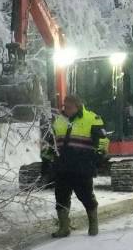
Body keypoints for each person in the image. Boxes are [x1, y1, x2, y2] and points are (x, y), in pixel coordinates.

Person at [44, 94, 109, 237]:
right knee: (61, 198)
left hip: (82, 167)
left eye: (69, 107)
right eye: (64, 106)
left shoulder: (92, 119)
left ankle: (93, 225)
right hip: (63, 167)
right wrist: (47, 159)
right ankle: (64, 228)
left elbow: (103, 140)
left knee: (86, 197)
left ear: (78, 107)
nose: (65, 109)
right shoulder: (58, 121)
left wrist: (99, 154)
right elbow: (51, 142)